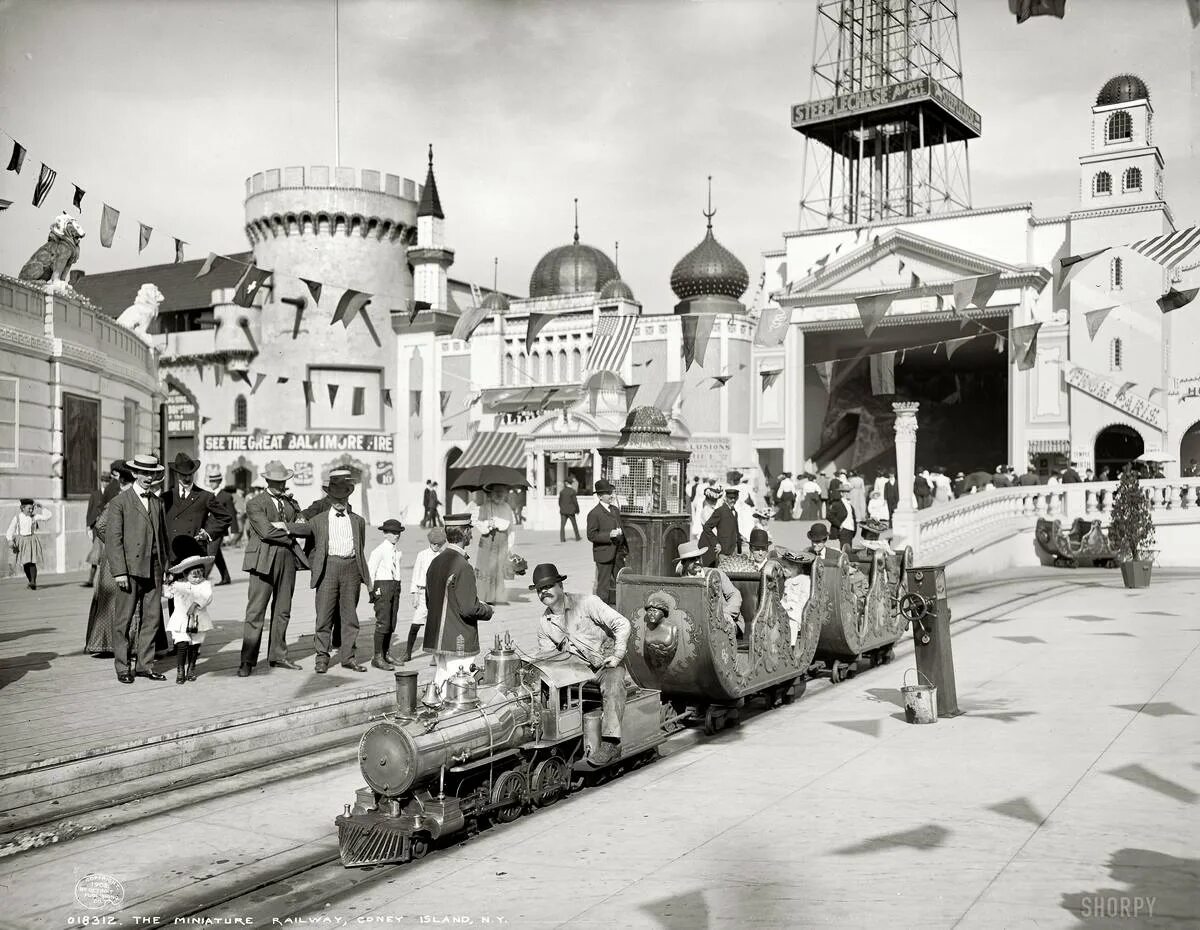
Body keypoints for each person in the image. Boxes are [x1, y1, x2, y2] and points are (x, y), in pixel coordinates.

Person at [533, 562, 632, 766]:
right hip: (576, 673)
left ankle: (611, 743)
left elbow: (622, 623)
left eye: (548, 586)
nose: (544, 592)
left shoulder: (587, 603)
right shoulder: (545, 623)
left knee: (613, 682)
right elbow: (548, 659)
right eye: (539, 590)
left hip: (604, 666)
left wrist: (617, 654)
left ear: (560, 586)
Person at [238, 461, 310, 677]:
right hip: (262, 561)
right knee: (255, 612)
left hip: (287, 561)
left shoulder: (291, 503)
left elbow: (306, 528)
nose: (281, 485)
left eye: (283, 482)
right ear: (267, 481)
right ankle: (247, 661)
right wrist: (290, 533)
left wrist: (287, 527)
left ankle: (278, 655)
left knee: (283, 611)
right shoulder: (255, 503)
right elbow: (267, 532)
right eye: (277, 482)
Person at [105, 454, 171, 683]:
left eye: (152, 473)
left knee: (152, 618)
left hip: (154, 569)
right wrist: (119, 571)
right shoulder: (119, 503)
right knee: (123, 620)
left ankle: (145, 665)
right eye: (144, 473)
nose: (148, 478)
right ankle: (123, 668)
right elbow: (114, 540)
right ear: (134, 474)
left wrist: (167, 568)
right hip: (130, 570)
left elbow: (162, 538)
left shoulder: (157, 502)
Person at [306, 474, 369, 673]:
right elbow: (304, 539)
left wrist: (362, 574)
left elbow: (360, 548)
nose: (340, 502)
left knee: (350, 617)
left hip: (351, 569)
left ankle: (348, 657)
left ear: (348, 498)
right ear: (330, 498)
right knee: (324, 615)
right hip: (328, 569)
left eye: (344, 499)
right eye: (337, 499)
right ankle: (322, 658)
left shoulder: (358, 521)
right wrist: (315, 565)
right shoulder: (318, 520)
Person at [424, 512, 494, 688]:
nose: (471, 533)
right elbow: (469, 608)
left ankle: (436, 711)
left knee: (441, 679)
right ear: (464, 533)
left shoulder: (436, 561)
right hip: (458, 638)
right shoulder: (463, 566)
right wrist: (487, 610)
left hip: (437, 638)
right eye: (469, 529)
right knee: (458, 686)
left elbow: (429, 600)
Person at [85, 465, 136, 655]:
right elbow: (101, 526)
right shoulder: (117, 501)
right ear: (124, 484)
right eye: (130, 483)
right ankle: (106, 644)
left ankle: (125, 643)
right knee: (111, 598)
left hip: (126, 558)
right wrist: (118, 543)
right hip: (114, 559)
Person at [161, 453, 231, 574]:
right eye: (183, 475)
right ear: (177, 474)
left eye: (190, 475)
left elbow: (225, 517)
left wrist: (208, 532)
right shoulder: (166, 497)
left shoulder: (205, 496)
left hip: (195, 555)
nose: (187, 479)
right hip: (171, 555)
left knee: (195, 591)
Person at [162, 536, 215, 684]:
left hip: (198, 621)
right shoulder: (179, 584)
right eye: (194, 575)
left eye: (200, 574)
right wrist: (164, 585)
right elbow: (168, 594)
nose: (198, 578)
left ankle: (192, 667)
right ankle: (180, 669)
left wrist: (195, 604)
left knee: (194, 645)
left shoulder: (205, 584)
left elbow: (207, 596)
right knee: (182, 644)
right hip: (180, 620)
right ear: (185, 574)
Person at [677, 541, 742, 635]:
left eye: (698, 557)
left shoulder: (716, 574)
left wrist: (726, 614)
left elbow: (735, 595)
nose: (698, 561)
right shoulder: (682, 582)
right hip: (698, 626)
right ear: (684, 563)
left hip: (726, 621)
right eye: (692, 559)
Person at [401, 526, 445, 665]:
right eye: (434, 544)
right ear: (430, 543)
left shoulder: (443, 556)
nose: (437, 547)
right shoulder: (422, 555)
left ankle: (435, 655)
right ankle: (407, 652)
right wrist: (414, 594)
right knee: (416, 623)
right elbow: (415, 574)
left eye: (439, 545)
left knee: (435, 625)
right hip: (422, 592)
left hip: (437, 593)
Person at [367, 518, 406, 670]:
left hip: (395, 586)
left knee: (391, 622)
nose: (396, 535)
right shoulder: (379, 550)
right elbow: (370, 571)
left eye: (398, 533)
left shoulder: (396, 551)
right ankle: (377, 657)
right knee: (383, 622)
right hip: (382, 586)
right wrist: (372, 591)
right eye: (393, 533)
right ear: (385, 534)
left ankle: (386, 653)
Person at [83, 461, 125, 588]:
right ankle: (93, 580)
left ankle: (99, 582)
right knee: (98, 557)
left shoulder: (114, 487)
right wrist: (89, 526)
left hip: (107, 529)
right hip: (106, 528)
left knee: (103, 558)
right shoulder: (111, 488)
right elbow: (95, 509)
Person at [586, 479, 626, 606]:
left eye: (611, 492)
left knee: (621, 581)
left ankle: (621, 606)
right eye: (608, 493)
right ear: (599, 496)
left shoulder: (615, 510)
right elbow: (591, 535)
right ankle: (601, 610)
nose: (611, 495)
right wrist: (609, 535)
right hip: (604, 554)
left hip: (618, 553)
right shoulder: (594, 513)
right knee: (603, 585)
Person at [474, 483, 516, 605]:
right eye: (496, 492)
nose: (499, 494)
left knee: (499, 567)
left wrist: (510, 545)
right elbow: (479, 524)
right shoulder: (485, 507)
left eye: (501, 492)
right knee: (486, 567)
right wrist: (487, 524)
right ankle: (485, 596)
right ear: (491, 493)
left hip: (502, 540)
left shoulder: (507, 507)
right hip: (488, 540)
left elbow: (511, 527)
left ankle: (497, 596)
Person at [7, 498, 52, 590]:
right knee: (25, 563)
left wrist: (42, 507)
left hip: (31, 541)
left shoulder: (34, 517)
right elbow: (10, 530)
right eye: (29, 508)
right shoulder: (17, 518)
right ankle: (30, 580)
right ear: (22, 508)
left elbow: (48, 516)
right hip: (21, 542)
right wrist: (10, 540)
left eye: (32, 508)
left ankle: (33, 582)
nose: (31, 510)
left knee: (32, 562)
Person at [208, 476, 235, 585]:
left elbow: (231, 514)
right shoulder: (209, 495)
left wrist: (232, 532)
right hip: (209, 529)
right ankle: (225, 577)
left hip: (219, 530)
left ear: (219, 481)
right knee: (217, 555)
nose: (212, 483)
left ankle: (202, 578)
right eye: (210, 481)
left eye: (214, 481)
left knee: (210, 554)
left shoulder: (226, 496)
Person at [703, 486, 742, 556]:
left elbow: (734, 530)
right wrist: (716, 543)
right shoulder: (719, 511)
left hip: (734, 550)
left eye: (735, 498)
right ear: (726, 498)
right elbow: (706, 527)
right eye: (730, 498)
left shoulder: (735, 512)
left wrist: (740, 537)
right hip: (724, 551)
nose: (733, 500)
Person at [558, 476, 581, 542]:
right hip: (571, 511)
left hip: (563, 511)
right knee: (574, 525)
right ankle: (577, 537)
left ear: (566, 483)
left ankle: (562, 539)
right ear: (571, 483)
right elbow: (575, 502)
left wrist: (562, 508)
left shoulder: (562, 491)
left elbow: (559, 502)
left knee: (562, 526)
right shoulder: (572, 491)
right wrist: (577, 510)